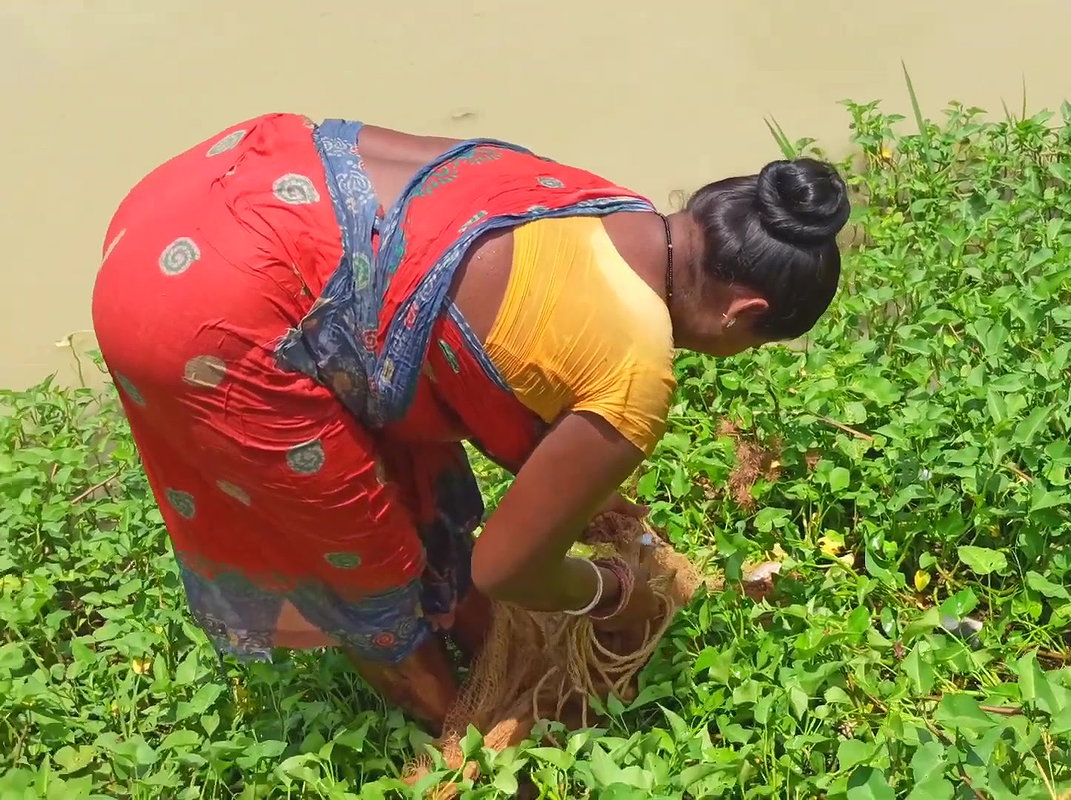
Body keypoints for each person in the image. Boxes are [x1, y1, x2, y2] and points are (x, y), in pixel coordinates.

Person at [89, 113, 849, 731]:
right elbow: (507, 568)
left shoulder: (598, 202)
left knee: (409, 479)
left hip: (214, 187)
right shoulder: (636, 370)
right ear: (744, 312)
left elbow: (487, 339)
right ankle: (463, 733)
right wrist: (616, 592)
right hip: (202, 316)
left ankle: (460, 638)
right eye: (749, 343)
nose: (728, 354)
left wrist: (586, 496)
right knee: (362, 551)